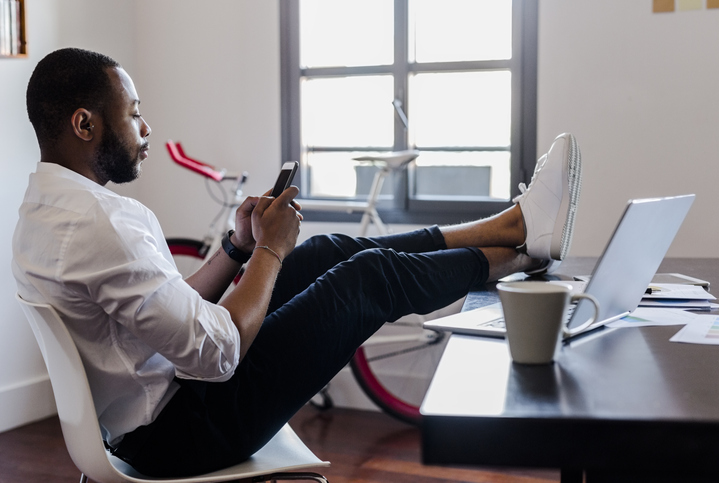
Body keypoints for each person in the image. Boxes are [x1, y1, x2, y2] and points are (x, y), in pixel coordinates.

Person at [12, 47, 582, 477]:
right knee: (365, 278)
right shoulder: (102, 223)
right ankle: (518, 250)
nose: (146, 128)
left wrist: (238, 249)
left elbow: (170, 313)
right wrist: (269, 250)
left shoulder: (44, 212)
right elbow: (218, 352)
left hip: (158, 414)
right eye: (134, 113)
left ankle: (514, 227)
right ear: (85, 124)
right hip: (184, 431)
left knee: (326, 252)